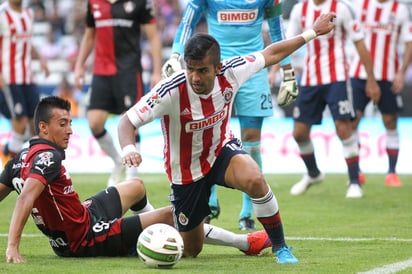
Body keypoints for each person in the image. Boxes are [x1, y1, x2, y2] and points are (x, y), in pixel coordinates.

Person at [118, 13, 336, 263]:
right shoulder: (170, 90)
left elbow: (271, 53)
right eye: (191, 69)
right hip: (186, 171)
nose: (195, 78)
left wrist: (312, 32)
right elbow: (127, 120)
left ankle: (280, 247)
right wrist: (127, 149)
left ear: (218, 67)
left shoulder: (233, 71)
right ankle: (236, 241)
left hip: (221, 150)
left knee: (254, 178)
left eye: (202, 71)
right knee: (191, 250)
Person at [3, 96, 273, 263]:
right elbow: (27, 196)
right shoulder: (49, 159)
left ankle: (152, 233)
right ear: (43, 127)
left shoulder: (20, 158)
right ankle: (244, 243)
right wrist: (12, 247)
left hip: (83, 216)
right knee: (175, 214)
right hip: (82, 239)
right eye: (62, 124)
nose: (71, 130)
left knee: (136, 186)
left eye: (70, 123)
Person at [162, 0, 299, 231]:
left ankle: (248, 211)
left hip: (253, 69)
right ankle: (209, 197)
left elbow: (277, 29)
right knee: (206, 131)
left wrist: (287, 70)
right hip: (215, 71)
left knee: (252, 137)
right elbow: (188, 21)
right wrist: (176, 55)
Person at [285, 0, 381, 198]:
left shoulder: (342, 8)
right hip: (310, 80)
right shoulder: (299, 9)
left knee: (343, 128)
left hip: (337, 78)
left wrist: (371, 79)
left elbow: (360, 43)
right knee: (299, 133)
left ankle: (354, 181)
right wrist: (280, 72)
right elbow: (287, 43)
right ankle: (313, 173)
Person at [73, 0, 162, 188]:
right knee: (94, 123)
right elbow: (90, 35)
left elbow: (153, 36)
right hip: (101, 72)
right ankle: (117, 161)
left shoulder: (139, 3)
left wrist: (156, 71)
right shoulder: (94, 3)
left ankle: (132, 179)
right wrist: (80, 65)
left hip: (129, 71)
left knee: (131, 123)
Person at [350, 0, 412, 187]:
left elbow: (409, 42)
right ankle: (355, 171)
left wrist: (401, 72)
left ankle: (392, 173)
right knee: (353, 122)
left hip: (388, 76)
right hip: (359, 74)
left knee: (390, 121)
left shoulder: (399, 9)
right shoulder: (359, 6)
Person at [0, 0, 49, 167]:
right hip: (9, 79)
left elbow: (27, 42)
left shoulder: (29, 13)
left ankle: (12, 152)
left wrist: (41, 59)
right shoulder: (2, 15)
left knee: (36, 124)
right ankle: (9, 167)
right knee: (19, 124)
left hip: (27, 78)